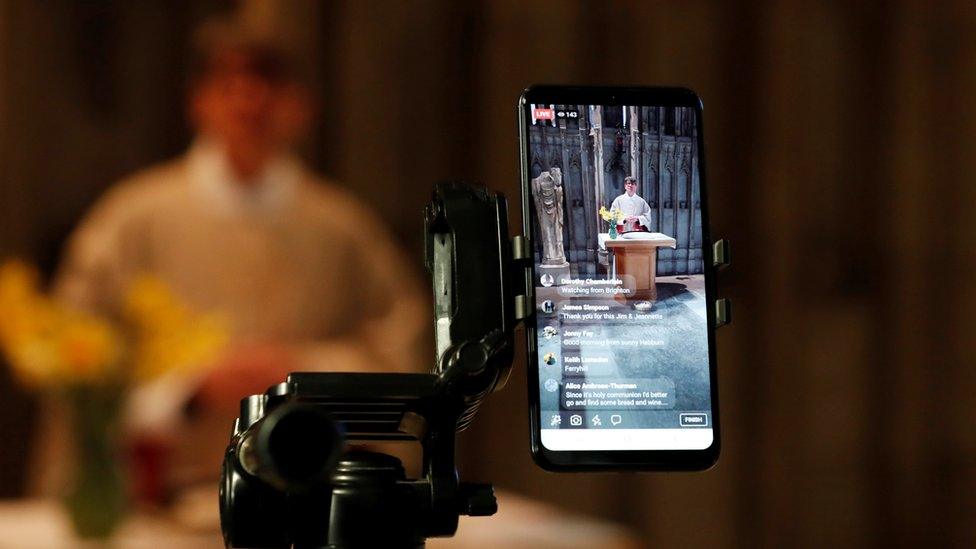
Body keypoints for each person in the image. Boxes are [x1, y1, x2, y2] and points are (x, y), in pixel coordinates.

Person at [32, 18, 428, 496]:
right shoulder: (131, 220)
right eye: (228, 82)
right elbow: (78, 357)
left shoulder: (345, 230)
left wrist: (299, 370)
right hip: (158, 498)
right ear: (197, 100)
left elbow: (401, 352)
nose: (248, 101)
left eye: (268, 82)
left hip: (310, 500)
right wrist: (188, 388)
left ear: (301, 105)